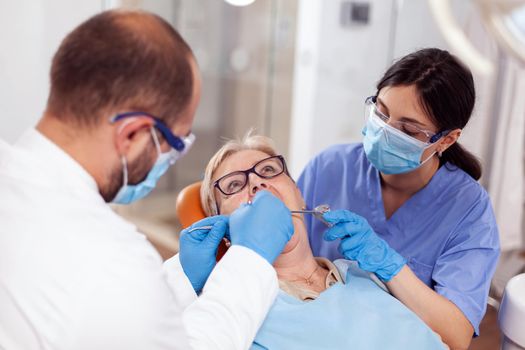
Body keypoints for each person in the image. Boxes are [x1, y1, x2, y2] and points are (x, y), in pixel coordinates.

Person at [0, 10, 294, 350]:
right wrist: (250, 258)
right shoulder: (111, 261)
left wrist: (181, 277)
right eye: (175, 144)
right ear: (135, 135)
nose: (168, 161)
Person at [297, 48, 500, 349]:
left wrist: (390, 266)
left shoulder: (468, 211)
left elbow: (456, 335)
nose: (384, 131)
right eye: (381, 111)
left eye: (407, 129)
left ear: (446, 139)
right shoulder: (329, 168)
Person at [195, 133, 448, 349]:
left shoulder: (364, 274)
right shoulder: (236, 319)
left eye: (268, 170)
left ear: (299, 194)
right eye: (235, 184)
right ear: (224, 233)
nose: (257, 182)